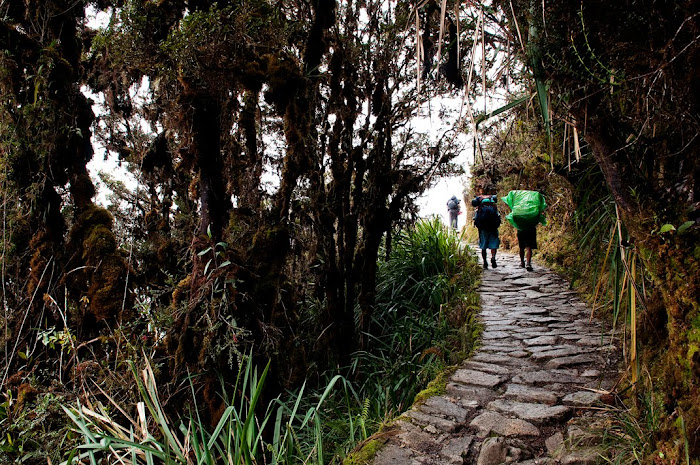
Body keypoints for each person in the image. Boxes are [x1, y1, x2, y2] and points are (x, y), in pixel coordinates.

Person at [501, 190, 547, 272]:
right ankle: (528, 263)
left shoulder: (519, 207)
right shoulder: (533, 204)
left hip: (520, 229)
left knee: (521, 247)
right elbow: (540, 213)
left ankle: (522, 262)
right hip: (531, 228)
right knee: (529, 247)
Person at [471, 194, 501, 269]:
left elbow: (476, 219)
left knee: (483, 246)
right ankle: (493, 257)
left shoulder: (480, 207)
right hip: (493, 228)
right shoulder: (493, 206)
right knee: (494, 244)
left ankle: (485, 262)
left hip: (483, 229)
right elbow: (498, 217)